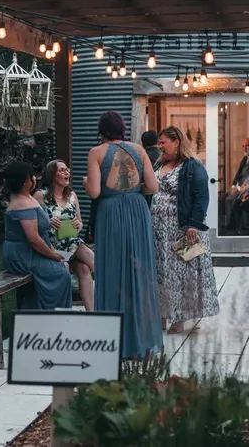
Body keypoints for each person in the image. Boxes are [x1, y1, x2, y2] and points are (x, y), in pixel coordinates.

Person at [83, 110, 163, 359]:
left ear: (101, 130)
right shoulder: (139, 150)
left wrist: (86, 183)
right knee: (140, 270)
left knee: (112, 270)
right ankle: (142, 339)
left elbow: (94, 192)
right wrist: (134, 190)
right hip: (137, 211)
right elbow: (153, 186)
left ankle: (114, 339)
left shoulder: (96, 153)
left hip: (111, 213)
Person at [152, 126, 219, 334]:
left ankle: (179, 318)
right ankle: (162, 315)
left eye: (163, 142)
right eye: (159, 142)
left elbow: (202, 197)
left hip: (181, 229)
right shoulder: (159, 163)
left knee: (181, 274)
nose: (159, 146)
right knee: (161, 273)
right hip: (158, 231)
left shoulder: (193, 166)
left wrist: (194, 224)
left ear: (177, 142)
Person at [2, 161, 72, 310]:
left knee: (64, 265)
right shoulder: (22, 204)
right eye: (32, 176)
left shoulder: (28, 198)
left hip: (33, 252)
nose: (35, 178)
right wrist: (53, 255)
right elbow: (33, 238)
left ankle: (50, 311)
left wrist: (53, 253)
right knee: (61, 274)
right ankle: (51, 314)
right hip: (24, 254)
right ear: (24, 181)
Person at [34, 160, 94, 311]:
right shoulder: (40, 196)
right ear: (52, 175)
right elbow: (33, 224)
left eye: (67, 169)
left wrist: (77, 224)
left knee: (84, 268)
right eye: (61, 170)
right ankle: (113, 283)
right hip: (52, 248)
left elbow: (80, 222)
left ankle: (92, 313)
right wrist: (47, 222)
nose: (67, 172)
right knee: (83, 251)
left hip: (71, 243)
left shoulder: (72, 195)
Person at [225, 137, 249, 232]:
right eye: (243, 146)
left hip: (247, 189)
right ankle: (230, 226)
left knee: (232, 200)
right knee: (225, 198)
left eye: (247, 146)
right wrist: (234, 186)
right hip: (240, 187)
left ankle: (233, 227)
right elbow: (238, 174)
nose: (245, 148)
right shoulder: (244, 159)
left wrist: (239, 189)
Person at [141, 130, 161, 208]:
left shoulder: (142, 157)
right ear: (158, 142)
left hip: (146, 197)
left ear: (143, 144)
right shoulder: (164, 156)